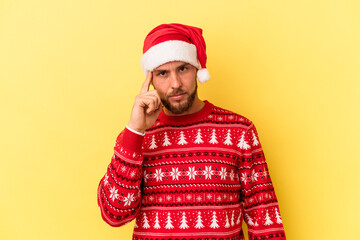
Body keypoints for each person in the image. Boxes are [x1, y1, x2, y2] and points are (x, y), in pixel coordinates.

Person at [97, 23, 286, 240]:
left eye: (182, 69)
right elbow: (114, 214)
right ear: (150, 80)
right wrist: (135, 131)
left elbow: (265, 218)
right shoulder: (137, 137)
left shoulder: (239, 131)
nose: (175, 83)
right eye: (162, 73)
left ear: (197, 68)